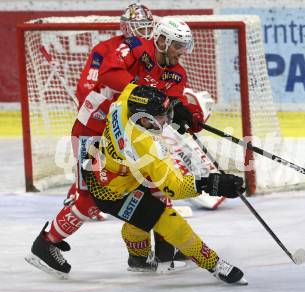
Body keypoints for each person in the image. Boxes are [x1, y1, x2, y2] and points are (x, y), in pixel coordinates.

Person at [25, 5, 201, 276]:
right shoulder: (134, 49)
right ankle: (46, 243)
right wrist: (144, 92)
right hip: (92, 130)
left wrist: (189, 116)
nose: (181, 52)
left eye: (184, 47)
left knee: (155, 183)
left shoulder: (176, 73)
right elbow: (108, 74)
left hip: (125, 138)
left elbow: (169, 106)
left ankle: (163, 252)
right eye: (177, 45)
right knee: (90, 197)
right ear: (162, 40)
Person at [84, 83, 247, 284]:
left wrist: (175, 105)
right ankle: (214, 264)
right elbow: (176, 188)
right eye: (163, 115)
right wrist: (213, 184)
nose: (167, 120)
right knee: (170, 222)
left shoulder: (126, 99)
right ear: (145, 118)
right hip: (112, 194)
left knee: (146, 213)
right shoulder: (147, 147)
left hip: (105, 169)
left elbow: (137, 83)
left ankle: (138, 260)